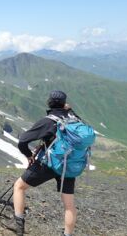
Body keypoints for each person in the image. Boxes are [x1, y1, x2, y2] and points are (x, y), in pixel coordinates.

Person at [8, 90, 79, 236]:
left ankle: (19, 228)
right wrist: (69, 109)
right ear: (64, 103)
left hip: (48, 164)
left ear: (49, 103)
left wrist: (29, 156)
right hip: (68, 165)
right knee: (69, 204)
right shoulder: (74, 118)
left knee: (19, 187)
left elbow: (23, 141)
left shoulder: (48, 121)